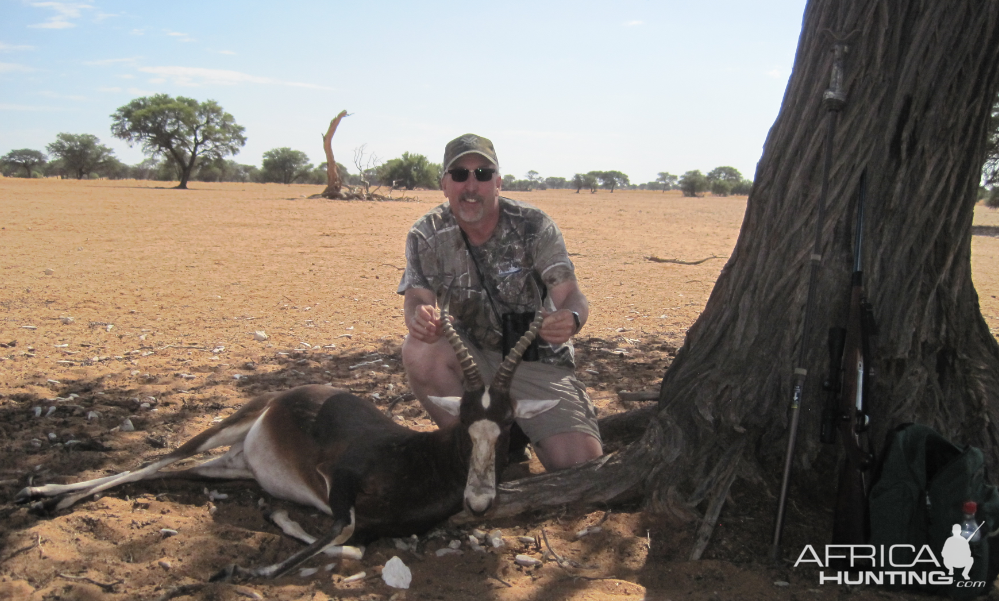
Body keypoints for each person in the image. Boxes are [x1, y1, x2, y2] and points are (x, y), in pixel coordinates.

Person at [398, 133, 602, 471]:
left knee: (580, 467)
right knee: (419, 349)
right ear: (444, 184)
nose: (471, 185)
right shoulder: (427, 232)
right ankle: (475, 455)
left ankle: (520, 433)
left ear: (498, 183)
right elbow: (417, 298)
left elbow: (571, 295)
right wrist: (418, 316)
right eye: (460, 175)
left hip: (535, 361)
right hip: (471, 360)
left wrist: (572, 317)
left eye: (482, 174)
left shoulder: (533, 225)